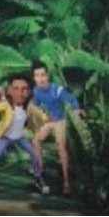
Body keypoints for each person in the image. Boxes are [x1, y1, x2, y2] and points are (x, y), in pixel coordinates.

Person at [30, 60, 82, 195]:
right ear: (34, 78)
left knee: (61, 147)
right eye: (37, 76)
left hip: (59, 121)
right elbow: (35, 106)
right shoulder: (36, 91)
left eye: (43, 75)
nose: (41, 79)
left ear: (47, 76)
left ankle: (66, 182)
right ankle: (39, 173)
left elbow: (70, 98)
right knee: (36, 140)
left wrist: (76, 108)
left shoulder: (56, 89)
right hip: (48, 122)